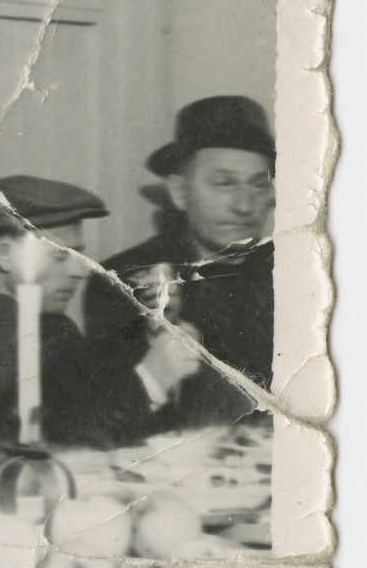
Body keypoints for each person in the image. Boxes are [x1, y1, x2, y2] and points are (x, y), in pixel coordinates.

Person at [0, 177, 203, 445]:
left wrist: (158, 339)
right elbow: (48, 447)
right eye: (61, 256)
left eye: (78, 256)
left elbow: (96, 413)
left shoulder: (55, 329)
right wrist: (152, 382)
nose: (78, 272)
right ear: (4, 255)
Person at [83, 95, 276, 427]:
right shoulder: (125, 280)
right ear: (179, 192)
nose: (245, 206)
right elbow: (111, 415)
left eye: (260, 185)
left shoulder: (300, 274)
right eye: (224, 183)